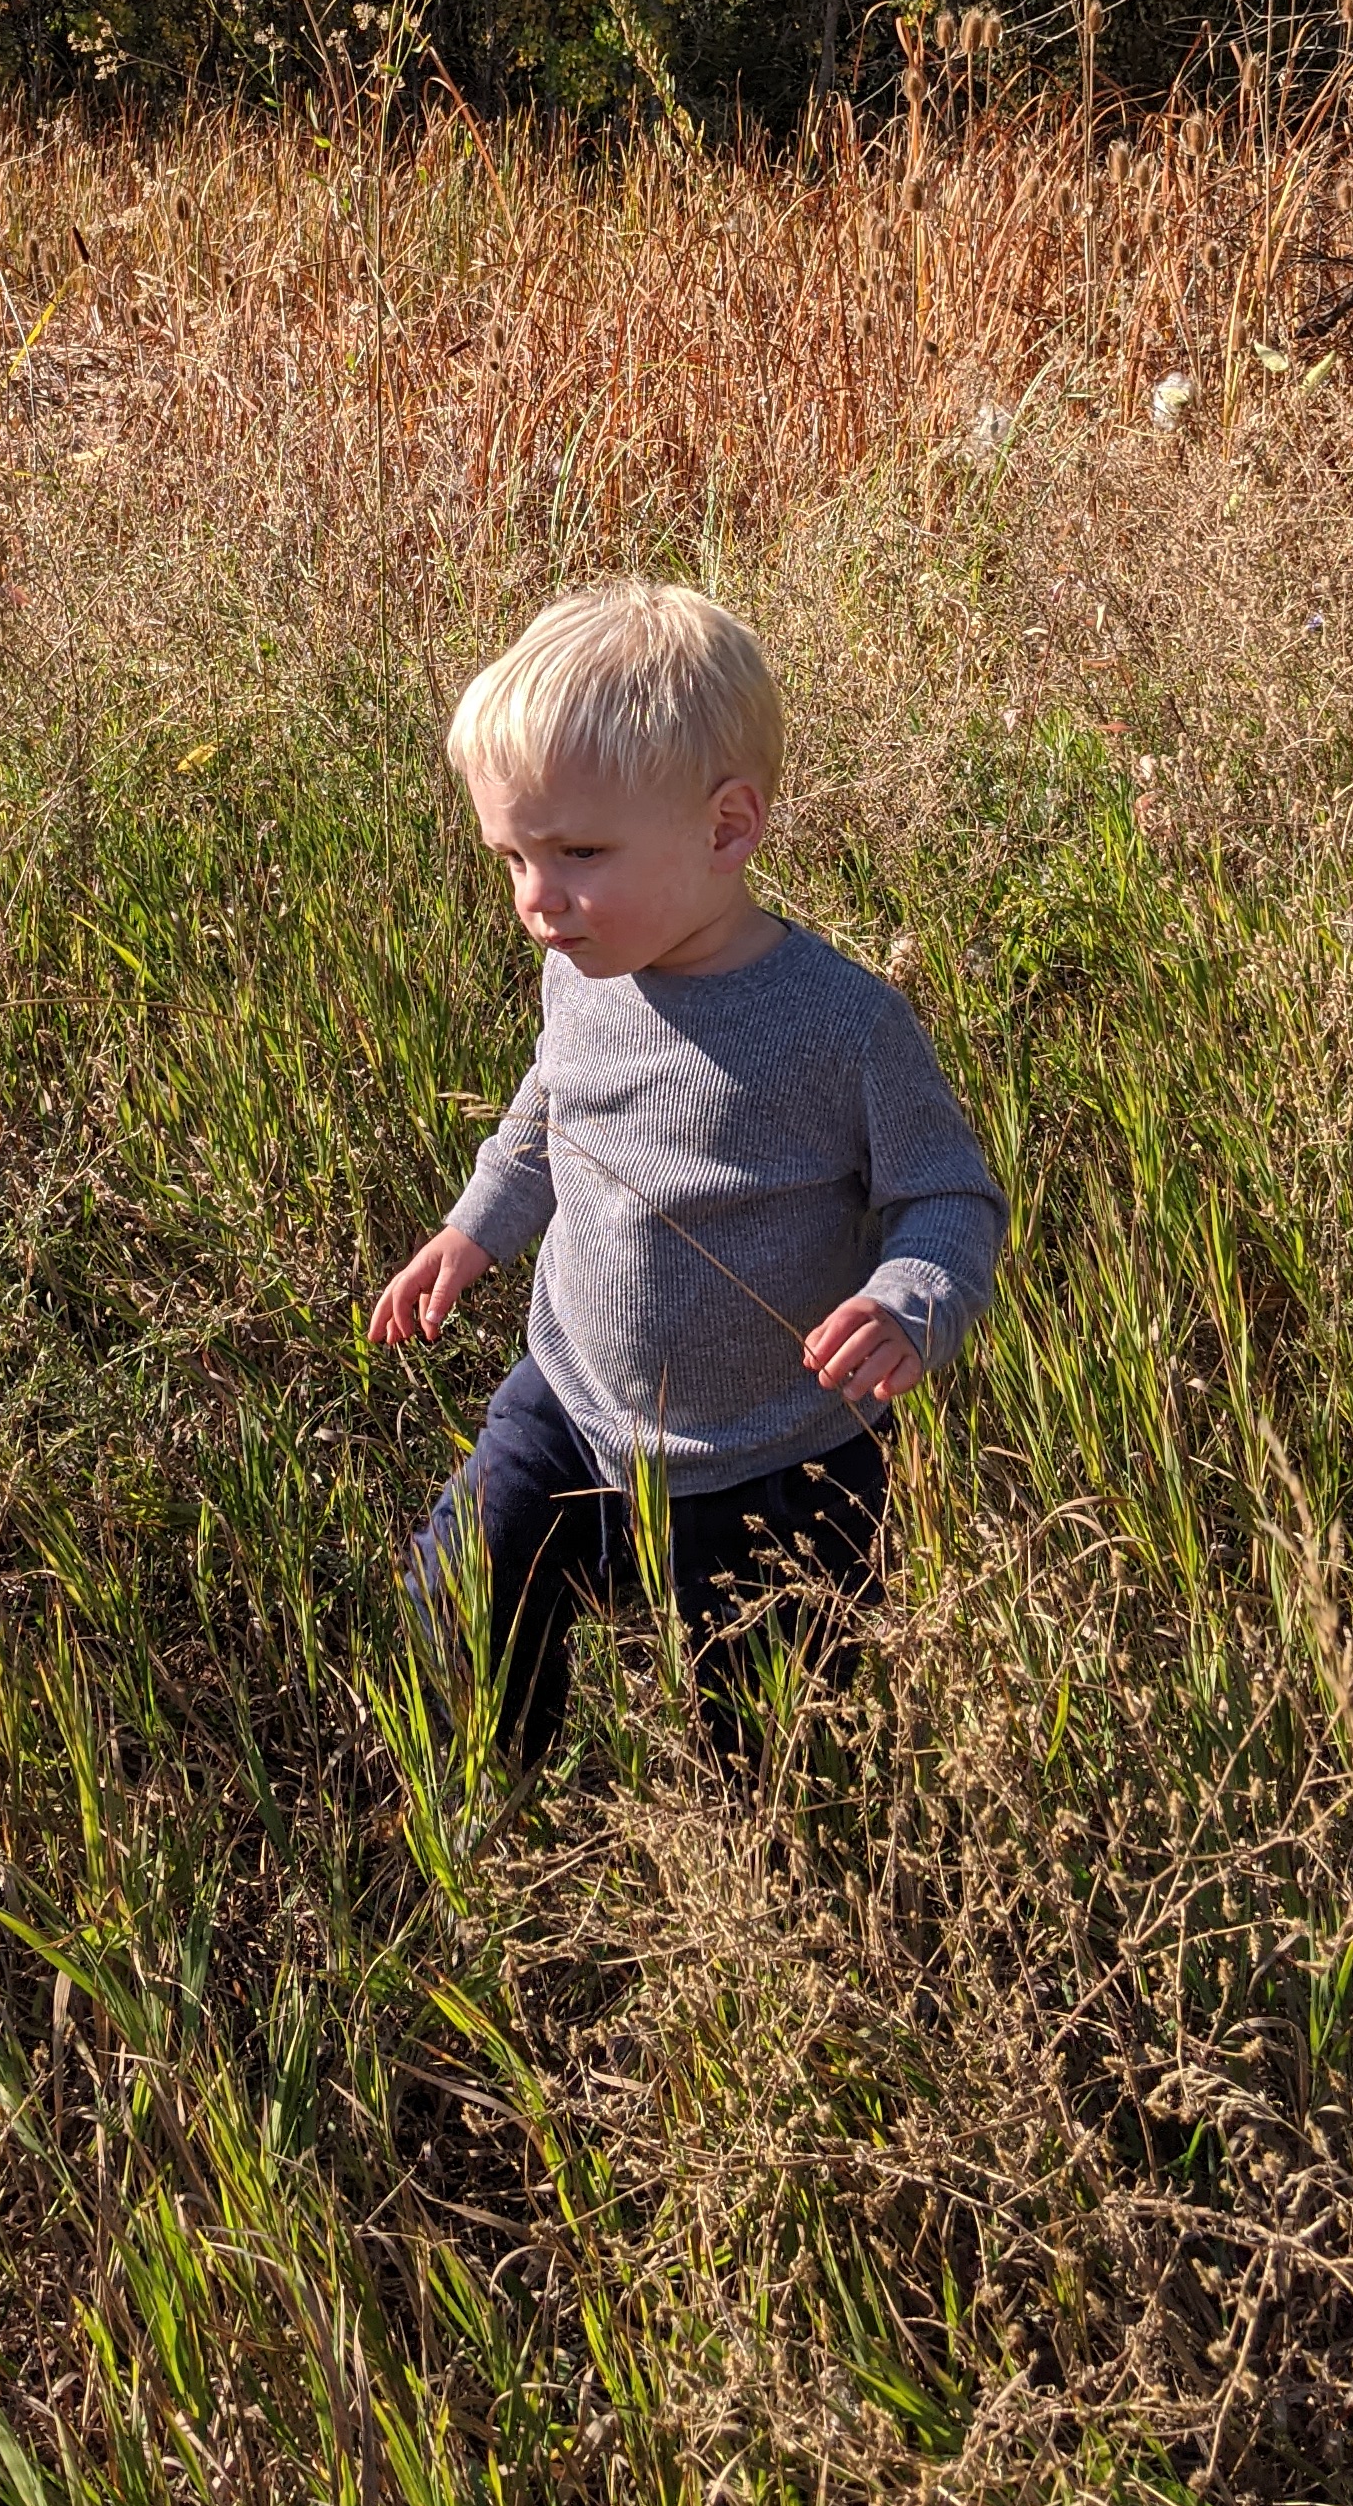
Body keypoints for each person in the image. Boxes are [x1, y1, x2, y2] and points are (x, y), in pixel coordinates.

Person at [370, 578, 1007, 1759]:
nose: (536, 902)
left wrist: (909, 1300)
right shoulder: (589, 965)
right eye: (511, 856)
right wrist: (474, 1230)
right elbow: (551, 1114)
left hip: (773, 1458)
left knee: (770, 1731)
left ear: (726, 829)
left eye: (577, 853)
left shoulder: (841, 1026)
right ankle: (486, 1797)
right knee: (465, 1605)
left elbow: (949, 1197)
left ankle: (759, 1880)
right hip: (570, 1399)